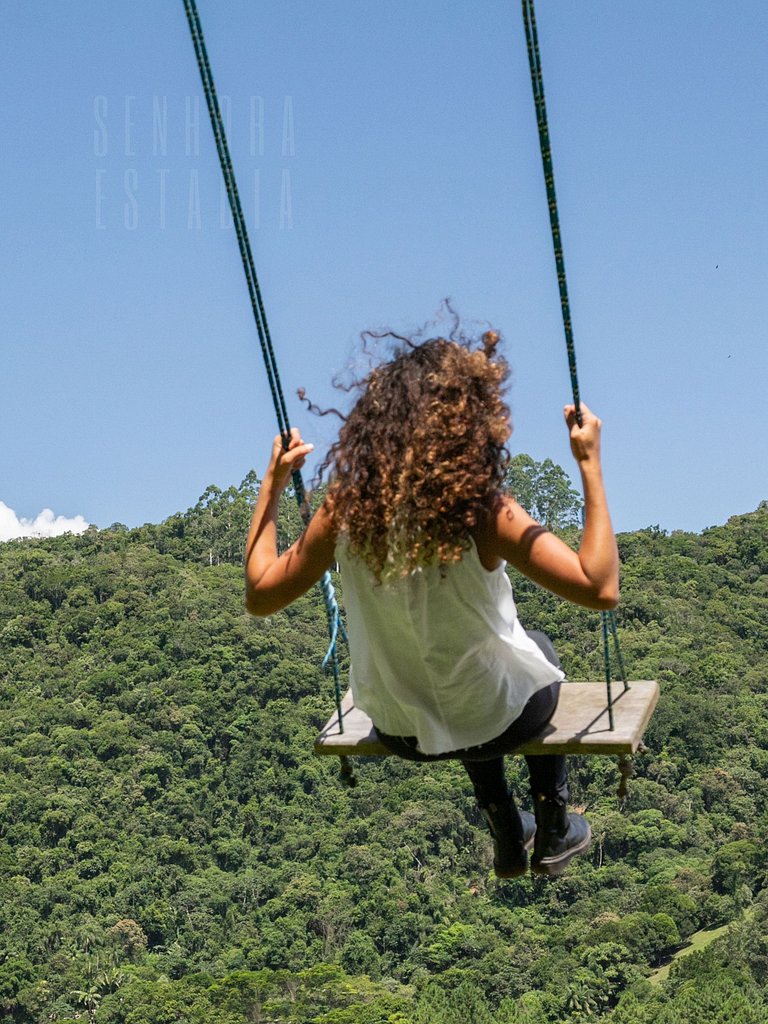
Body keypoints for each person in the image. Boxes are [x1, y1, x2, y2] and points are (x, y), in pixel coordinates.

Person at [245, 329, 619, 878]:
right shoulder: (483, 512)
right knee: (534, 652)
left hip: (402, 734)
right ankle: (555, 822)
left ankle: (506, 828)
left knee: (471, 678)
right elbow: (600, 587)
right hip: (500, 720)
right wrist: (589, 464)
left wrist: (271, 486)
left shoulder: (342, 515)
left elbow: (260, 595)